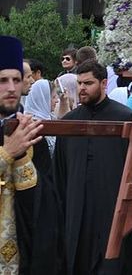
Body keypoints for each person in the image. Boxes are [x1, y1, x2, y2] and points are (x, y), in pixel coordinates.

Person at [54, 59, 132, 274]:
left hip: (114, 217)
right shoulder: (69, 123)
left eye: (88, 83)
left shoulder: (126, 119)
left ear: (104, 83)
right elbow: (59, 176)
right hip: (78, 218)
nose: (82, 88)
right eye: (79, 83)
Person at [0, 36, 62, 275]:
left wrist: (23, 158)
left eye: (16, 80)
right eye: (3, 80)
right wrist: (7, 154)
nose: (11, 88)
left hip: (24, 254)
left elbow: (45, 204)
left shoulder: (32, 134)